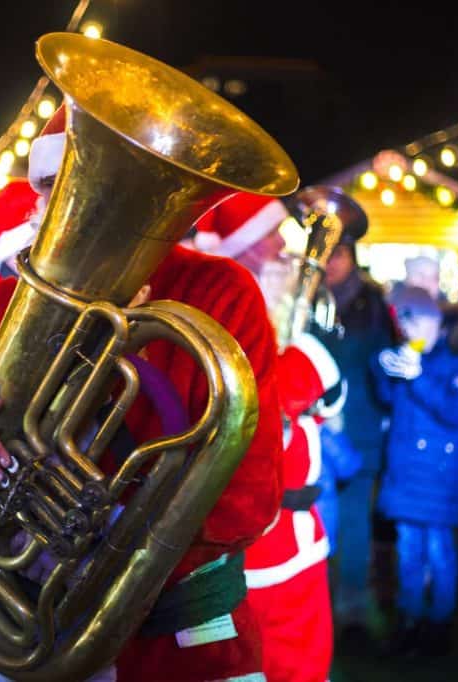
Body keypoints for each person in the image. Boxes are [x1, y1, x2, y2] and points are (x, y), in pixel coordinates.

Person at [0, 110, 284, 681]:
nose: (92, 214)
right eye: (66, 189)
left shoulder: (220, 293)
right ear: (41, 200)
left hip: (183, 643)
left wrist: (113, 538)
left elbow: (251, 493)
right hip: (25, 633)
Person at [193, 191, 337, 682]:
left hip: (294, 537)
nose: (285, 247)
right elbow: (259, 400)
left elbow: (329, 403)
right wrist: (311, 363)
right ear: (245, 248)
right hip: (249, 543)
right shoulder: (217, 316)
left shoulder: (282, 317)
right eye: (271, 236)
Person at [374, 288, 458, 656]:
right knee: (409, 553)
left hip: (438, 475)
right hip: (408, 473)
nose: (407, 329)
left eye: (414, 320)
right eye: (404, 321)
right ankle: (410, 624)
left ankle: (438, 626)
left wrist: (417, 375)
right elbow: (390, 400)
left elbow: (455, 413)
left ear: (434, 320)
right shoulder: (419, 351)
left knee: (438, 554)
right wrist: (385, 369)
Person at [316, 224, 396, 639]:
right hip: (317, 428)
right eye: (327, 256)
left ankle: (350, 608)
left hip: (358, 428)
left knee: (353, 520)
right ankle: (319, 605)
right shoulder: (310, 298)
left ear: (352, 260)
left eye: (339, 256)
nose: (331, 264)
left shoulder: (373, 304)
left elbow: (381, 366)